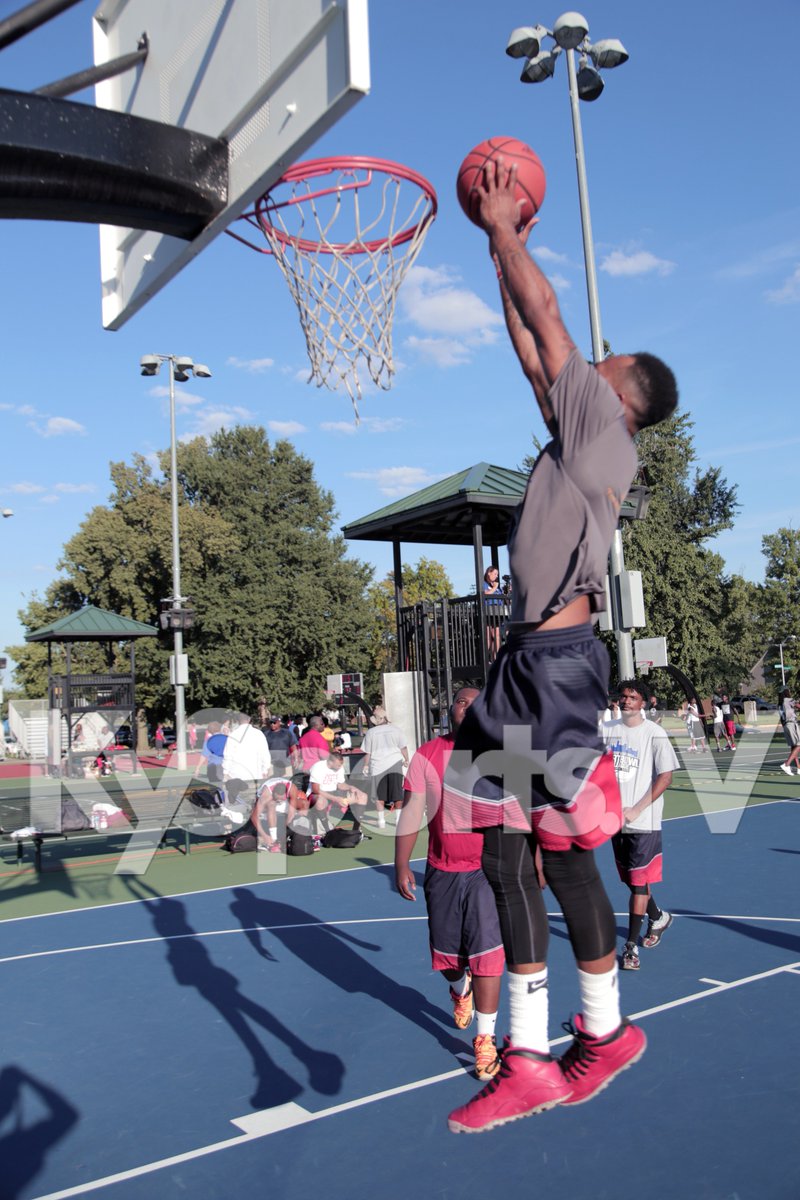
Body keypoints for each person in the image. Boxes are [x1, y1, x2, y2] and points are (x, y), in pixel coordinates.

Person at [443, 157, 678, 1135]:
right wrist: (508, 257)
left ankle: (554, 1049)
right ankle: (583, 1039)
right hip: (531, 668)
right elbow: (527, 345)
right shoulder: (577, 435)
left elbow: (551, 328)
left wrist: (503, 234)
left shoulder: (605, 433)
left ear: (621, 395)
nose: (590, 362)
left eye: (604, 363)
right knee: (523, 845)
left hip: (552, 669)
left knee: (536, 853)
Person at [395, 687, 505, 1081]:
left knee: (488, 952)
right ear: (450, 711)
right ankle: (460, 990)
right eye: (462, 703)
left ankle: (486, 1039)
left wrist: (537, 861)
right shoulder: (428, 755)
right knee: (448, 957)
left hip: (487, 869)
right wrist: (401, 863)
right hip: (442, 870)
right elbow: (411, 812)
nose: (470, 709)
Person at [602, 680, 679, 971]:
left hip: (643, 821)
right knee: (631, 879)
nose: (626, 701)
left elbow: (665, 778)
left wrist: (636, 808)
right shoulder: (608, 731)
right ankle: (658, 917)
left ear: (644, 703)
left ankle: (631, 947)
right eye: (623, 696)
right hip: (615, 821)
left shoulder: (654, 734)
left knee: (636, 884)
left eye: (632, 697)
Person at [360, 706, 409, 829]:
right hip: (394, 763)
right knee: (397, 793)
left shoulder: (371, 732)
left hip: (377, 765)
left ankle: (381, 820)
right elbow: (403, 747)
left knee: (379, 795)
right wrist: (406, 759)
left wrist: (365, 765)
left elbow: (368, 753)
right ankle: (398, 819)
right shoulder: (396, 730)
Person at [309, 749, 369, 828]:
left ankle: (356, 830)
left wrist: (350, 787)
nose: (340, 767)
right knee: (319, 802)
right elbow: (316, 790)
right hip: (320, 794)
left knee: (362, 796)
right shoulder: (318, 767)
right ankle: (327, 831)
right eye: (338, 765)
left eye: (341, 765)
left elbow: (340, 784)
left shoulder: (339, 767)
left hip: (335, 792)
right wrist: (336, 799)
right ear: (330, 762)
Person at [222, 712, 272, 802]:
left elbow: (227, 755)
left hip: (236, 775)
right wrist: (265, 769)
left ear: (238, 721)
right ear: (249, 720)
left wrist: (226, 772)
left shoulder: (233, 734)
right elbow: (265, 753)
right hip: (255, 774)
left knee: (239, 802)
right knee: (256, 801)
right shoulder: (258, 734)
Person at [483, 565, 504, 661]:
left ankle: (496, 658)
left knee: (497, 635)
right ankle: (486, 659)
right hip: (488, 612)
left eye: (497, 574)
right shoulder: (483, 584)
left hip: (497, 613)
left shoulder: (497, 587)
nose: (496, 576)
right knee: (488, 636)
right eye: (495, 574)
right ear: (489, 573)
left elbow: (501, 598)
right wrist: (495, 587)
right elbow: (486, 594)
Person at [778, 688, 800, 775]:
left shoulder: (780, 704)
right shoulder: (788, 700)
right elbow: (798, 706)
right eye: (789, 691)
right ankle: (786, 764)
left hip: (786, 725)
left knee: (794, 746)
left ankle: (798, 767)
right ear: (786, 692)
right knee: (798, 745)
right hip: (791, 724)